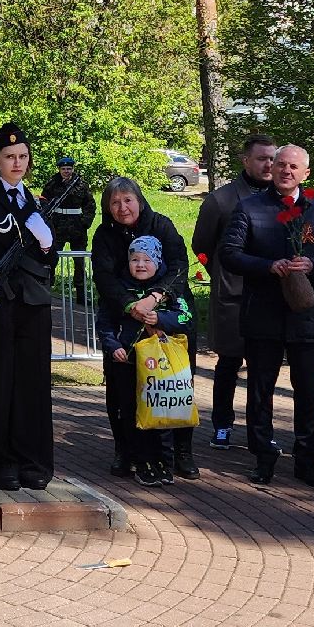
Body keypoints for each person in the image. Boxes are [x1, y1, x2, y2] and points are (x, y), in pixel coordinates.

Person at [220, 145, 314, 487]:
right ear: (272, 169)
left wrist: (313, 265)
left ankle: (306, 460)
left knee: (307, 392)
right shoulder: (250, 208)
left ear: (306, 173)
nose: (287, 171)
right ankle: (263, 456)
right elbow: (229, 254)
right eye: (281, 165)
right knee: (260, 390)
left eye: (294, 167)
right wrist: (266, 266)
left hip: (306, 315)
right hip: (263, 313)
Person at [0, 123, 59, 491]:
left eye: (22, 156)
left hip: (32, 304)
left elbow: (45, 264)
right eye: (9, 157)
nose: (17, 163)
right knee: (0, 381)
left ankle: (33, 459)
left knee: (33, 382)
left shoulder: (34, 202)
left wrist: (49, 244)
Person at [90, 177, 191, 478]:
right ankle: (126, 451)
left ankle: (180, 454)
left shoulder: (161, 224)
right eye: (115, 202)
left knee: (172, 389)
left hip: (166, 316)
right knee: (122, 396)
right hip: (123, 322)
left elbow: (179, 266)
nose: (123, 208)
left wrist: (155, 298)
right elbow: (104, 277)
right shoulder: (104, 235)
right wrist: (129, 305)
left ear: (140, 200)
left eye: (128, 200)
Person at [193, 133, 274, 450]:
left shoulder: (283, 199)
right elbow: (200, 245)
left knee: (263, 367)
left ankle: (260, 430)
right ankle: (222, 425)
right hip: (232, 298)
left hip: (269, 297)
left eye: (272, 158)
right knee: (229, 364)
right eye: (262, 158)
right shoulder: (221, 200)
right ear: (246, 160)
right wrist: (219, 273)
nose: (268, 164)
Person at [101, 236, 196, 487]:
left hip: (160, 365)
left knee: (160, 412)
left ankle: (164, 461)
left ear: (157, 262)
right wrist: (114, 347)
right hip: (128, 362)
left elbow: (186, 318)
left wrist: (161, 319)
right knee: (132, 412)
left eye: (146, 260)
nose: (140, 264)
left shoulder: (169, 291)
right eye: (135, 259)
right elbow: (105, 323)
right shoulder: (120, 290)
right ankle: (141, 462)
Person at [39, 156, 94, 301]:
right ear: (59, 169)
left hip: (77, 226)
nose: (66, 171)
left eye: (69, 169)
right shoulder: (52, 183)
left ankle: (81, 296)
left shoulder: (81, 184)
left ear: (73, 169)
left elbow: (90, 205)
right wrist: (48, 221)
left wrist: (84, 222)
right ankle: (46, 292)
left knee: (80, 262)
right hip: (58, 226)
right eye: (63, 169)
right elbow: (43, 201)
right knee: (52, 258)